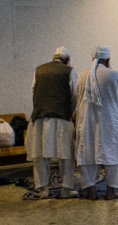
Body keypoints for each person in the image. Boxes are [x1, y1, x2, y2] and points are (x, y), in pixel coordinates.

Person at [25, 47, 79, 199]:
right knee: (66, 155)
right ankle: (66, 189)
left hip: (39, 117)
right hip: (62, 117)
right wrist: (71, 112)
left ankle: (43, 190)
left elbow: (33, 92)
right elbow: (74, 95)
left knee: (40, 155)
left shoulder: (39, 70)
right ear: (67, 59)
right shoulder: (69, 71)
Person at [75, 47, 118, 201]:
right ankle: (111, 192)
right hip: (110, 120)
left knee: (87, 153)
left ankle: (91, 192)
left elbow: (77, 96)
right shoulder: (113, 75)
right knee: (113, 153)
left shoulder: (83, 75)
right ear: (108, 60)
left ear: (93, 59)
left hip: (86, 120)